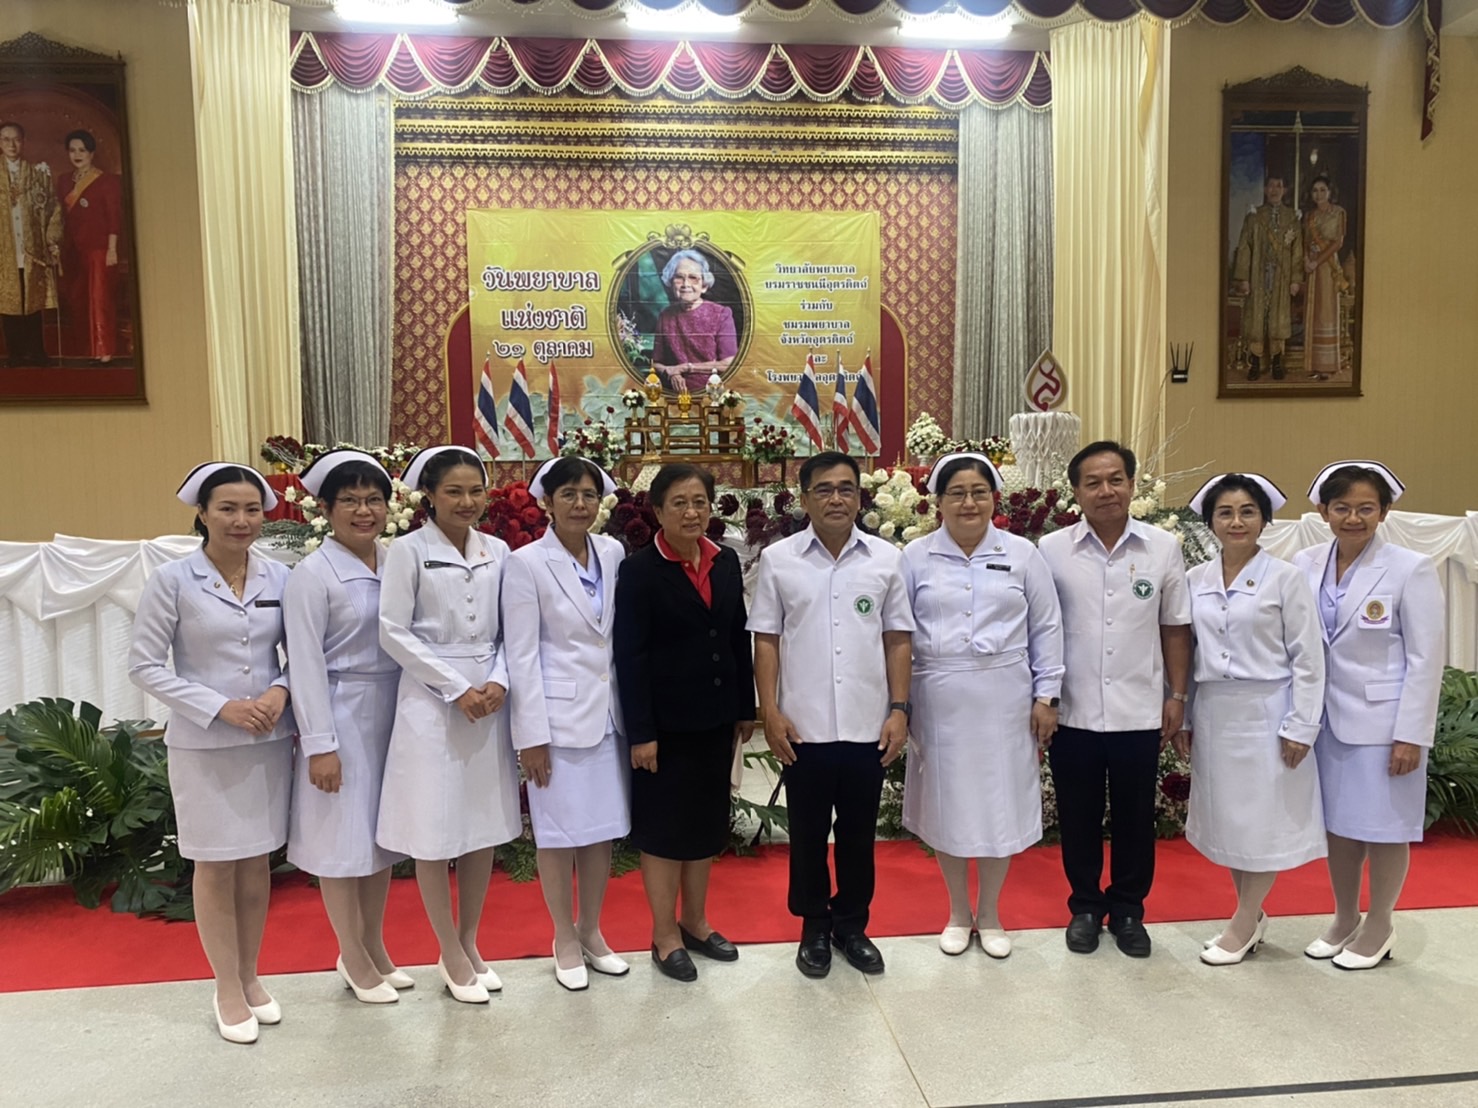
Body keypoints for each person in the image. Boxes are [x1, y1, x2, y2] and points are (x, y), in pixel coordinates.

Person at [128, 463, 294, 1044]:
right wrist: (219, 706)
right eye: (227, 508)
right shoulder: (173, 580)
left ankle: (250, 975)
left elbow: (303, 653)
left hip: (266, 740)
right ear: (202, 513)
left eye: (251, 509)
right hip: (204, 745)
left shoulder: (280, 576)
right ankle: (225, 986)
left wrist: (280, 691)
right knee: (215, 863)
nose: (240, 520)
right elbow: (144, 665)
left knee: (256, 861)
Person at [748, 450, 915, 978]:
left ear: (860, 496)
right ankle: (814, 927)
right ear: (805, 499)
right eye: (824, 489)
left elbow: (897, 639)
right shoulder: (780, 560)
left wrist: (899, 709)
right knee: (807, 834)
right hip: (804, 726)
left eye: (846, 488)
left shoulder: (886, 559)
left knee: (859, 835)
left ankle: (852, 925)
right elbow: (767, 640)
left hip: (868, 724)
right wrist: (770, 711)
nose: (836, 498)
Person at [902, 453, 1063, 959]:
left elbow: (1047, 627)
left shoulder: (1022, 554)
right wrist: (899, 704)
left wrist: (1047, 696)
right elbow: (897, 633)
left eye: (978, 492)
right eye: (957, 493)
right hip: (939, 696)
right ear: (939, 502)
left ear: (994, 498)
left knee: (999, 805)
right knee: (947, 803)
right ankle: (956, 912)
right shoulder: (915, 557)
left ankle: (990, 913)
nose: (968, 502)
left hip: (1005, 695)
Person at [376, 445, 520, 1004]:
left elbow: (512, 629)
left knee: (480, 826)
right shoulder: (407, 551)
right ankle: (448, 949)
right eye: (453, 491)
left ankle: (468, 940)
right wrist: (456, 688)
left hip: (489, 701)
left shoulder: (499, 551)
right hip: (431, 702)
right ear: (430, 496)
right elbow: (393, 630)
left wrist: (499, 681)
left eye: (475, 491)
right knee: (435, 830)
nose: (466, 501)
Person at [1037, 441, 1192, 958]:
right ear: (1076, 491)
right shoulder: (1051, 550)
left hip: (1138, 708)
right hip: (1073, 710)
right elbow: (1040, 627)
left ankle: (1128, 910)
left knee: (1135, 819)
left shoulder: (1162, 547)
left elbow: (1174, 627)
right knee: (1077, 816)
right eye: (1093, 483)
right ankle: (1084, 906)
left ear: (1131, 484)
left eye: (1115, 480)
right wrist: (1044, 697)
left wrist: (1176, 694)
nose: (1106, 491)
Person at [1294, 461, 1443, 970]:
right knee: (1339, 828)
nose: (1353, 518)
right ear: (1323, 511)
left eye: (1365, 508)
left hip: (1384, 724)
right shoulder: (1305, 562)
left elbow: (1426, 658)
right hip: (1325, 721)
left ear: (1384, 512)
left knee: (1385, 828)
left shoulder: (1410, 567)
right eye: (1342, 508)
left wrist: (1411, 735)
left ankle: (1380, 923)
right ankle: (1344, 917)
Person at [614, 463, 757, 983]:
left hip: (716, 720)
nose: (691, 512)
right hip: (665, 727)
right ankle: (664, 934)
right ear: (657, 510)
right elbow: (630, 656)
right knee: (663, 831)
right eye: (679, 502)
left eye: (699, 501)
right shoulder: (639, 570)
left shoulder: (724, 561)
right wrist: (642, 733)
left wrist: (745, 707)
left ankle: (695, 922)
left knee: (704, 825)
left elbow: (737, 635)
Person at [1178, 474, 1326, 966]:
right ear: (1211, 521)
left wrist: (1301, 725)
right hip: (1216, 712)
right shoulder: (1195, 580)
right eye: (1225, 512)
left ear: (1264, 519)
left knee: (1263, 821)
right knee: (1232, 822)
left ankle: (1243, 922)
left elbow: (1309, 658)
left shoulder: (1285, 578)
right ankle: (1251, 915)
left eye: (1247, 512)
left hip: (1270, 711)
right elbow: (1188, 654)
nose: (1236, 521)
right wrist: (1185, 717)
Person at [283, 450, 410, 1005]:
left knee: (381, 839)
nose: (365, 511)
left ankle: (372, 943)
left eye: (374, 500)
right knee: (341, 839)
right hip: (341, 708)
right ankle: (351, 953)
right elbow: (305, 664)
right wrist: (320, 745)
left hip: (395, 710)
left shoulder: (397, 560)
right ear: (326, 509)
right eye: (351, 501)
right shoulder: (312, 575)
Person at [503, 456, 632, 992]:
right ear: (547, 503)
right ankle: (563, 936)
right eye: (569, 495)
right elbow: (521, 653)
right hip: (556, 721)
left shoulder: (614, 552)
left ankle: (591, 929)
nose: (580, 504)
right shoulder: (526, 563)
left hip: (609, 716)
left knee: (600, 832)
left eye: (589, 494)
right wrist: (531, 735)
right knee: (557, 835)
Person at [56, 129, 123, 364]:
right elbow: (59, 217)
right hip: (73, 250)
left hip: (99, 249)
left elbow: (114, 218)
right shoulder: (64, 181)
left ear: (92, 153)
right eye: (72, 150)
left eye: (82, 150)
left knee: (99, 298)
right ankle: (85, 348)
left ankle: (103, 349)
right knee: (78, 299)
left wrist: (112, 249)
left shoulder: (107, 181)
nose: (77, 155)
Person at [0, 121, 61, 367]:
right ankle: (15, 354)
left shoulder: (37, 175)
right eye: (6, 139)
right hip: (4, 250)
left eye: (16, 139)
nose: (11, 144)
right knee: (9, 302)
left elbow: (53, 208)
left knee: (33, 300)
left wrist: (52, 240)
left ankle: (37, 352)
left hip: (32, 249)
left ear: (23, 142)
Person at [1232, 173, 1302, 381]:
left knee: (1278, 319)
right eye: (1271, 186)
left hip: (1281, 278)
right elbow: (1244, 248)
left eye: (1278, 186)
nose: (1274, 190)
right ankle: (1255, 363)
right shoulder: (1254, 217)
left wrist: (1295, 279)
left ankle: (1276, 363)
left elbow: (1297, 251)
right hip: (1258, 276)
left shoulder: (1292, 218)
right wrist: (1244, 278)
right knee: (1257, 319)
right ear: (1265, 189)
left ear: (1284, 190)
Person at [651, 248, 736, 393]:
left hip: (712, 393)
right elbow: (656, 363)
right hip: (673, 393)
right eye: (679, 277)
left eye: (693, 278)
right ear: (671, 283)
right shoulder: (665, 316)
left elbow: (728, 364)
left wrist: (687, 367)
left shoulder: (721, 314)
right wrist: (671, 371)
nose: (686, 284)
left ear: (704, 286)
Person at [1302, 175, 1348, 382]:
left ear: (1330, 192)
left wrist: (1317, 261)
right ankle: (1314, 364)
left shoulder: (1338, 213)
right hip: (1312, 268)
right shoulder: (1309, 216)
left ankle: (1328, 366)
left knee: (1326, 312)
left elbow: (1338, 243)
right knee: (1314, 313)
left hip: (1328, 267)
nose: (1318, 194)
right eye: (1315, 190)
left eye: (1322, 190)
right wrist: (1306, 260)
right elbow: (1305, 241)